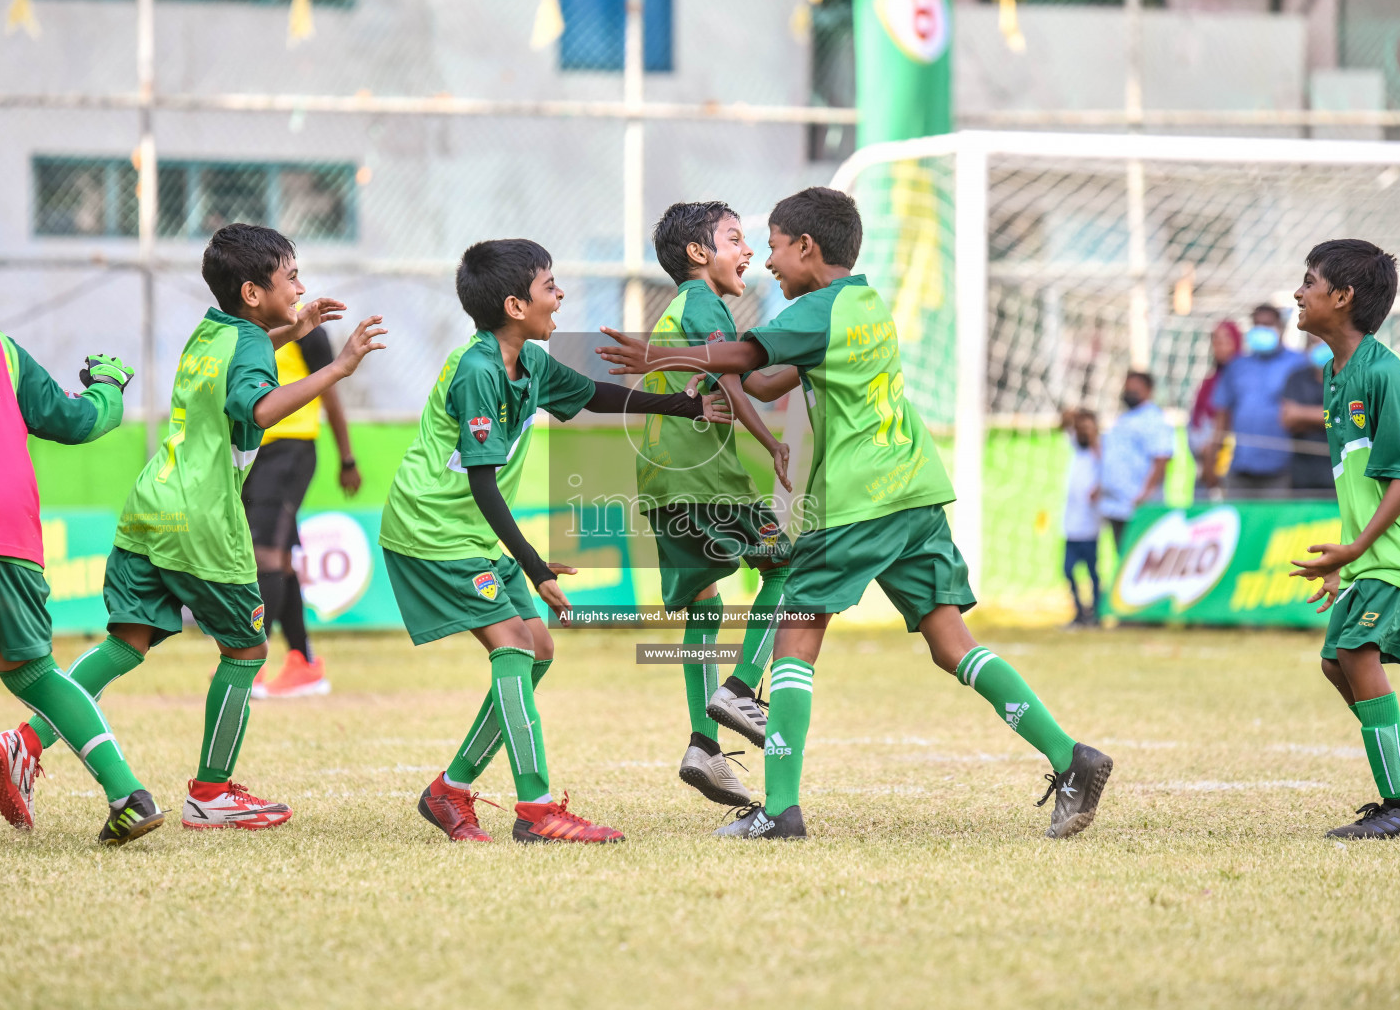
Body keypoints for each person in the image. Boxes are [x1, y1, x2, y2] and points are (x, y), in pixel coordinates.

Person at [597, 187, 1112, 841]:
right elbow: (763, 380)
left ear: (807, 248)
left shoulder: (817, 310)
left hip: (859, 501)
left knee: (794, 640)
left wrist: (664, 357)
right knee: (952, 644)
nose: (768, 261)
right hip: (917, 494)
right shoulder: (864, 304)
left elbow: (746, 359)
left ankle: (779, 810)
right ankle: (1072, 759)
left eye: (777, 247)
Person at [0, 223, 386, 833]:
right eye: (292, 277)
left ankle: (25, 744)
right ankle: (212, 791)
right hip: (202, 520)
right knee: (247, 650)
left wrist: (295, 330)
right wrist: (338, 368)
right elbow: (257, 407)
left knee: (127, 644)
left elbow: (238, 365)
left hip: (152, 507)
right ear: (253, 292)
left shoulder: (214, 328)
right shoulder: (251, 340)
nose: (301, 285)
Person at [381, 238, 730, 844]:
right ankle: (537, 810)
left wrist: (682, 404)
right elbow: (484, 483)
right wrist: (534, 564)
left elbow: (592, 393)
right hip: (434, 531)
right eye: (550, 285)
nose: (561, 293)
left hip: (472, 532)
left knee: (537, 648)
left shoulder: (527, 361)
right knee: (514, 645)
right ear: (516, 305)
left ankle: (450, 790)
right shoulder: (480, 371)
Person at [0, 196, 160, 855]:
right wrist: (109, 384)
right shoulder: (3, 350)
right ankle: (128, 796)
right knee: (30, 670)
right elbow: (79, 421)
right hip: (9, 524)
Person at [1287, 238, 1400, 839]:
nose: (1298, 293)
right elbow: (1359, 483)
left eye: (1309, 281)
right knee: (1337, 662)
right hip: (1377, 545)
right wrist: (1344, 559)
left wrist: (1356, 551)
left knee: (1356, 655)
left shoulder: (1383, 372)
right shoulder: (1337, 375)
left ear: (1343, 296)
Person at [640, 201, 799, 808]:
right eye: (735, 238)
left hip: (662, 480)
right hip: (703, 476)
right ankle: (740, 688)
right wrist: (771, 441)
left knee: (704, 604)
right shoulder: (704, 302)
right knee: (788, 567)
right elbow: (733, 378)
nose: (749, 251)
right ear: (698, 255)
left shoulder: (676, 310)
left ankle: (704, 746)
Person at [243, 324, 362, 699]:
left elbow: (330, 394)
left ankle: (247, 664)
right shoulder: (246, 330)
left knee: (265, 557)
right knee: (280, 559)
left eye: (293, 276)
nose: (294, 287)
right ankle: (304, 663)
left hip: (291, 450)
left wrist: (347, 457)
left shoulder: (308, 332)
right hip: (254, 453)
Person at [1203, 304, 1309, 498]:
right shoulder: (1237, 366)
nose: (1262, 330)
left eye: (1268, 325)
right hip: (1240, 467)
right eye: (1257, 325)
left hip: (1281, 469)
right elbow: (1222, 416)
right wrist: (1211, 460)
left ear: (1281, 327)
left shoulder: (1298, 363)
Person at [1096, 370, 1173, 549]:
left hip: (1138, 507)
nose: (1129, 393)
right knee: (1123, 556)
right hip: (1117, 505)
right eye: (1127, 389)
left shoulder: (1153, 419)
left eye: (1135, 389)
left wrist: (1145, 493)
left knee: (1140, 558)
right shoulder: (1124, 419)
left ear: (1148, 391)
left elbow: (1162, 458)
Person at [1187, 319, 1241, 499]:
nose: (1220, 346)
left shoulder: (1244, 381)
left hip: (1233, 465)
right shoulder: (1209, 384)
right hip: (1205, 466)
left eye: (1226, 340)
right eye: (1216, 341)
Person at [1277, 343, 1337, 496]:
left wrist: (1301, 414)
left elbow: (1347, 418)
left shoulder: (1350, 376)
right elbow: (1288, 420)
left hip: (1339, 475)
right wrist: (1330, 417)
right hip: (1302, 475)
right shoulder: (1296, 378)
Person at [1061, 409, 1101, 627]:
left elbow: (1105, 464)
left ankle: (1096, 613)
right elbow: (1064, 420)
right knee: (1067, 570)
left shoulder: (1099, 451)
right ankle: (1079, 610)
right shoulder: (1076, 447)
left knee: (1092, 572)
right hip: (1070, 525)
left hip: (1090, 526)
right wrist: (1077, 414)